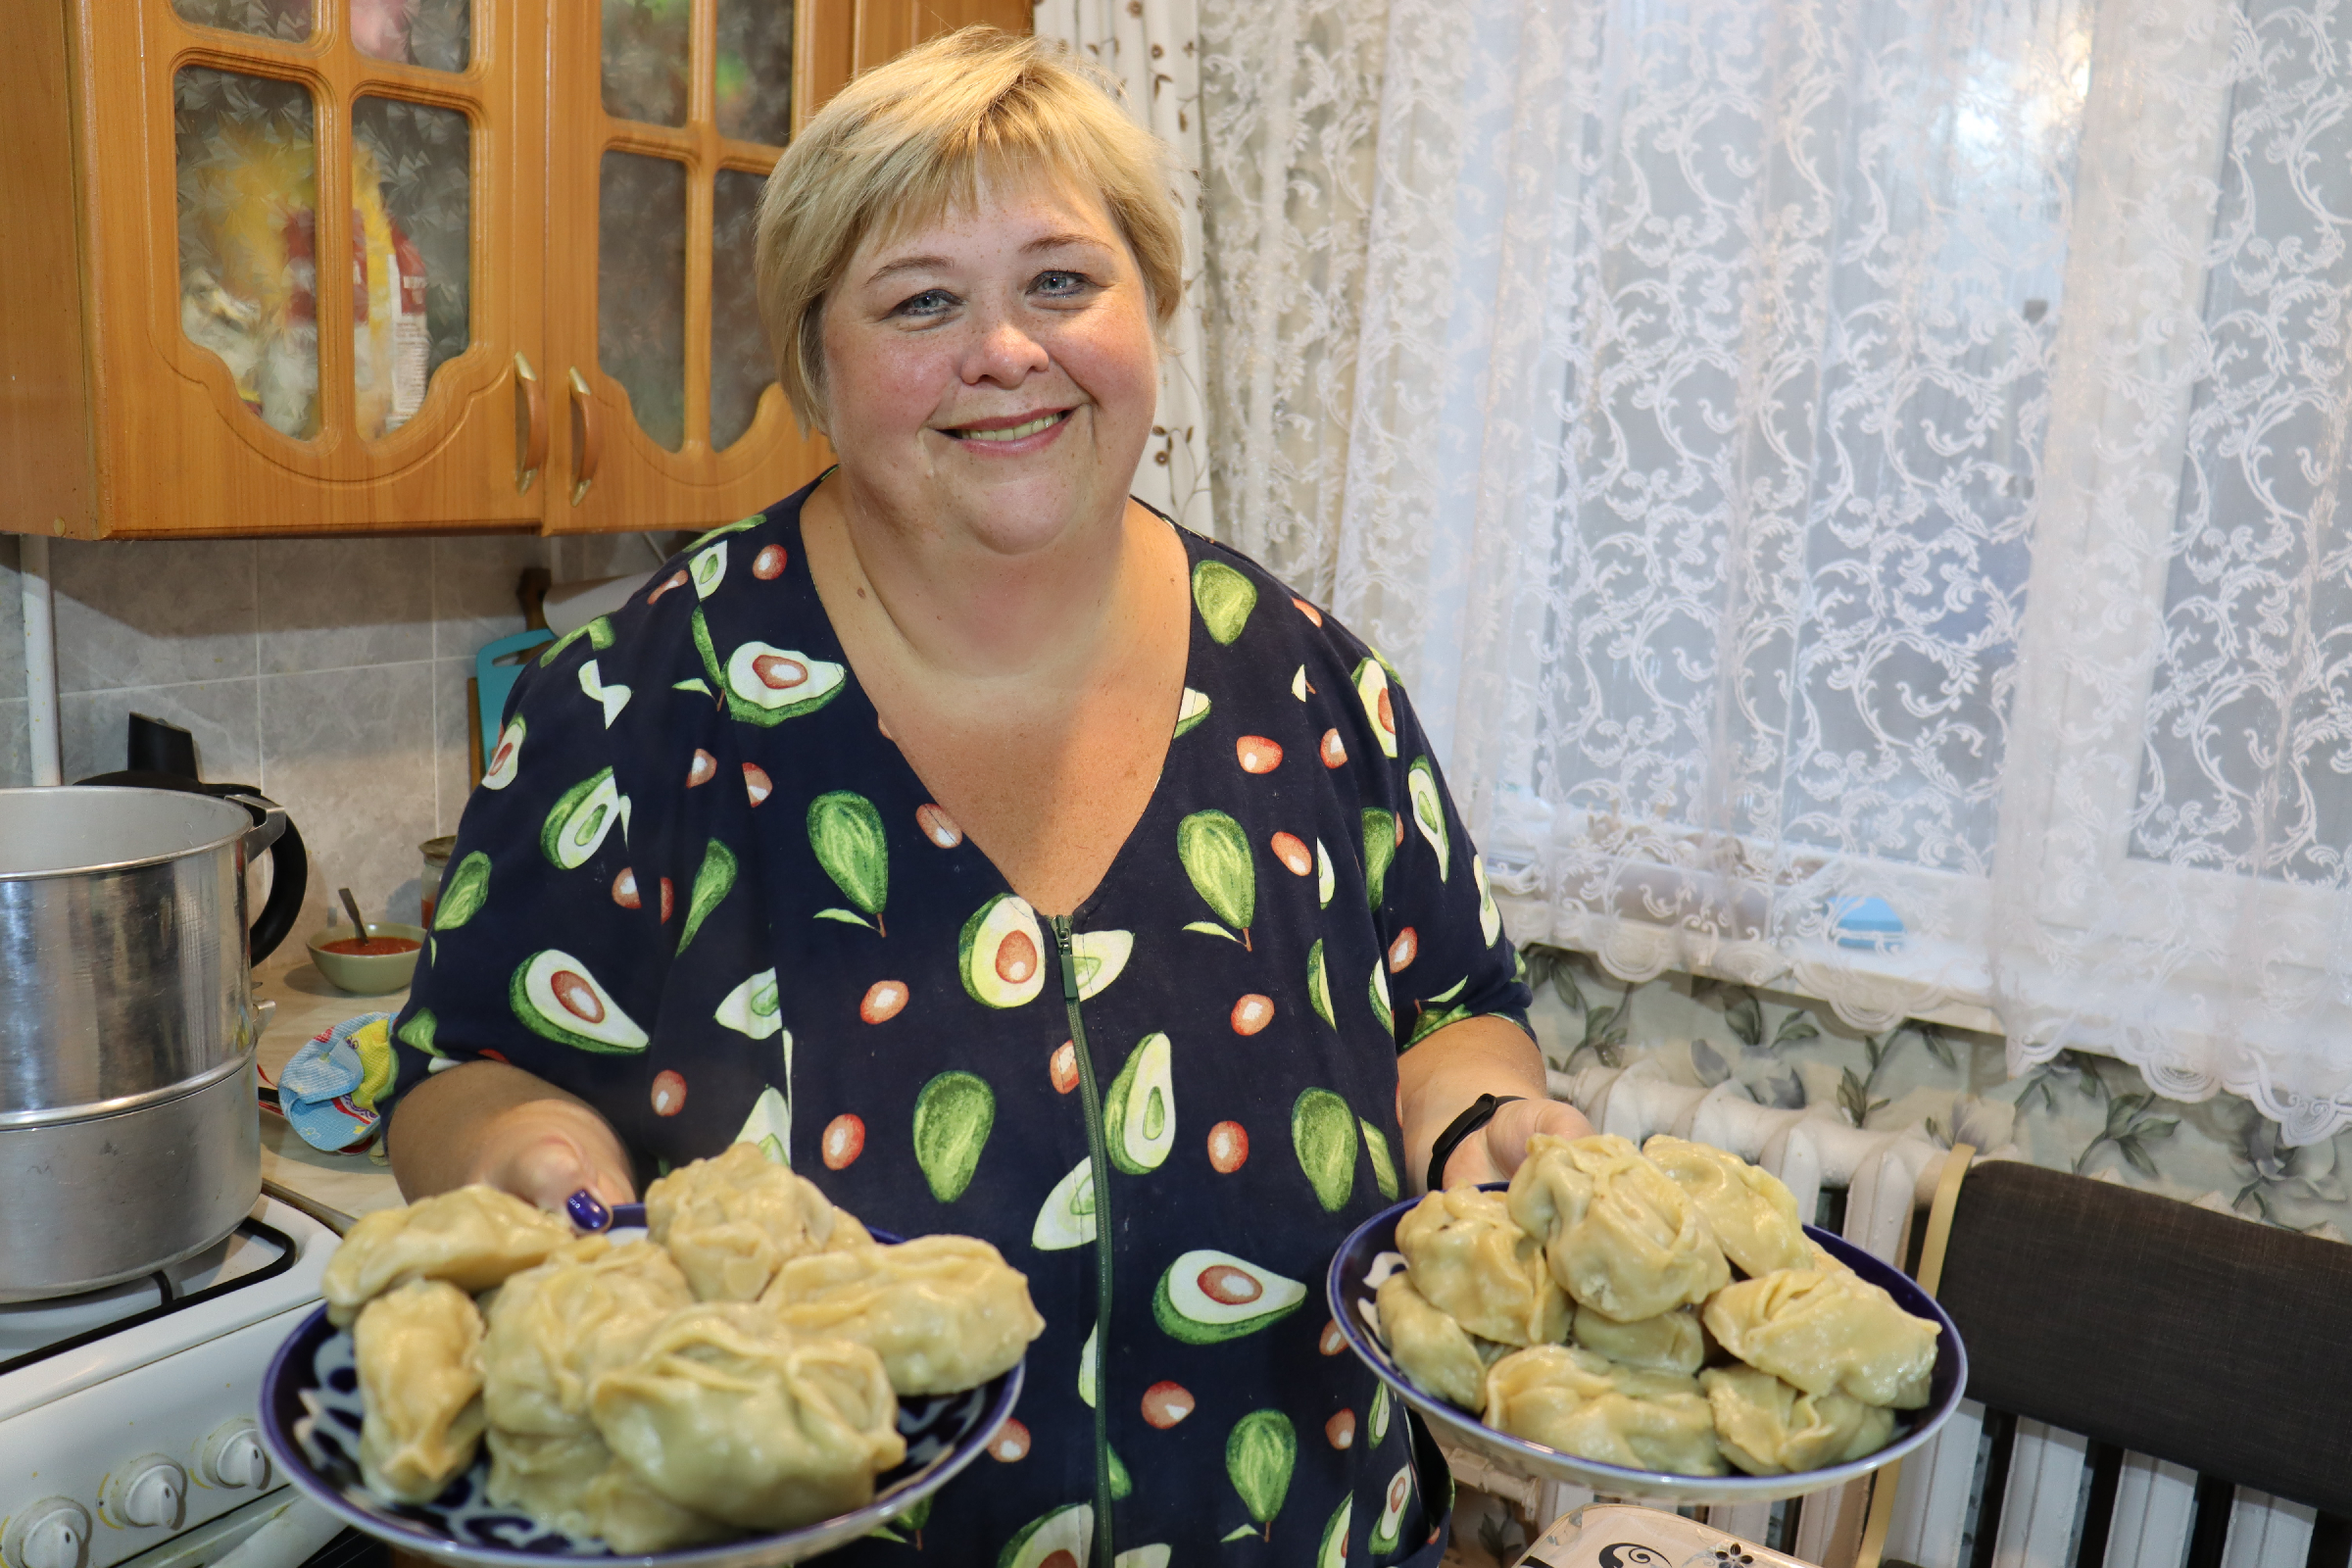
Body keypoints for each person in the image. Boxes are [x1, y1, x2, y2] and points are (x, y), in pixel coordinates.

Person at [382, 26, 1592, 1563]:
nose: (1006, 350)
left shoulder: (1306, 681)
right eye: (922, 302)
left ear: (1151, 309)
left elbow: (1451, 1008)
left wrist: (1481, 1119)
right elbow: (461, 1072)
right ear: (817, 364)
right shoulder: (631, 704)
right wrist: (528, 1171)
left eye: (1062, 282)